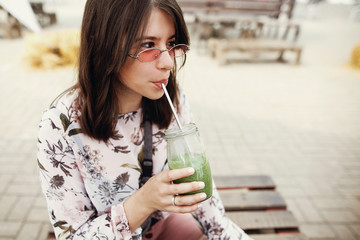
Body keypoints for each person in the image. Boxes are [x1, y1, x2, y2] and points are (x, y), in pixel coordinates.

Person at [37, 0, 254, 239]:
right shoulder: (60, 125)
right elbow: (73, 235)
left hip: (164, 227)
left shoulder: (173, 99)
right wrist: (143, 202)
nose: (168, 63)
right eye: (148, 45)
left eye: (171, 44)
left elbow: (201, 196)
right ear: (101, 42)